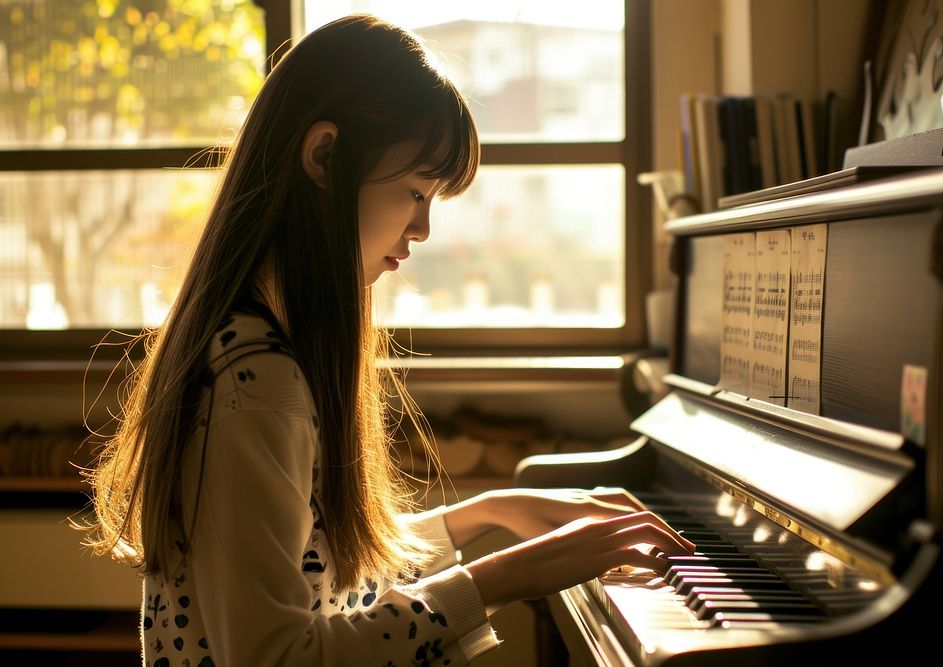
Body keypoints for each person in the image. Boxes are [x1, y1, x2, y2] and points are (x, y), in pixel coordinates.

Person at [81, 14, 694, 667]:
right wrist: (503, 578)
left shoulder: (253, 347)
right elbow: (277, 655)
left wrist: (488, 512)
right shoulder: (255, 382)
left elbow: (317, 572)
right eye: (415, 191)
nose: (423, 227)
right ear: (323, 157)